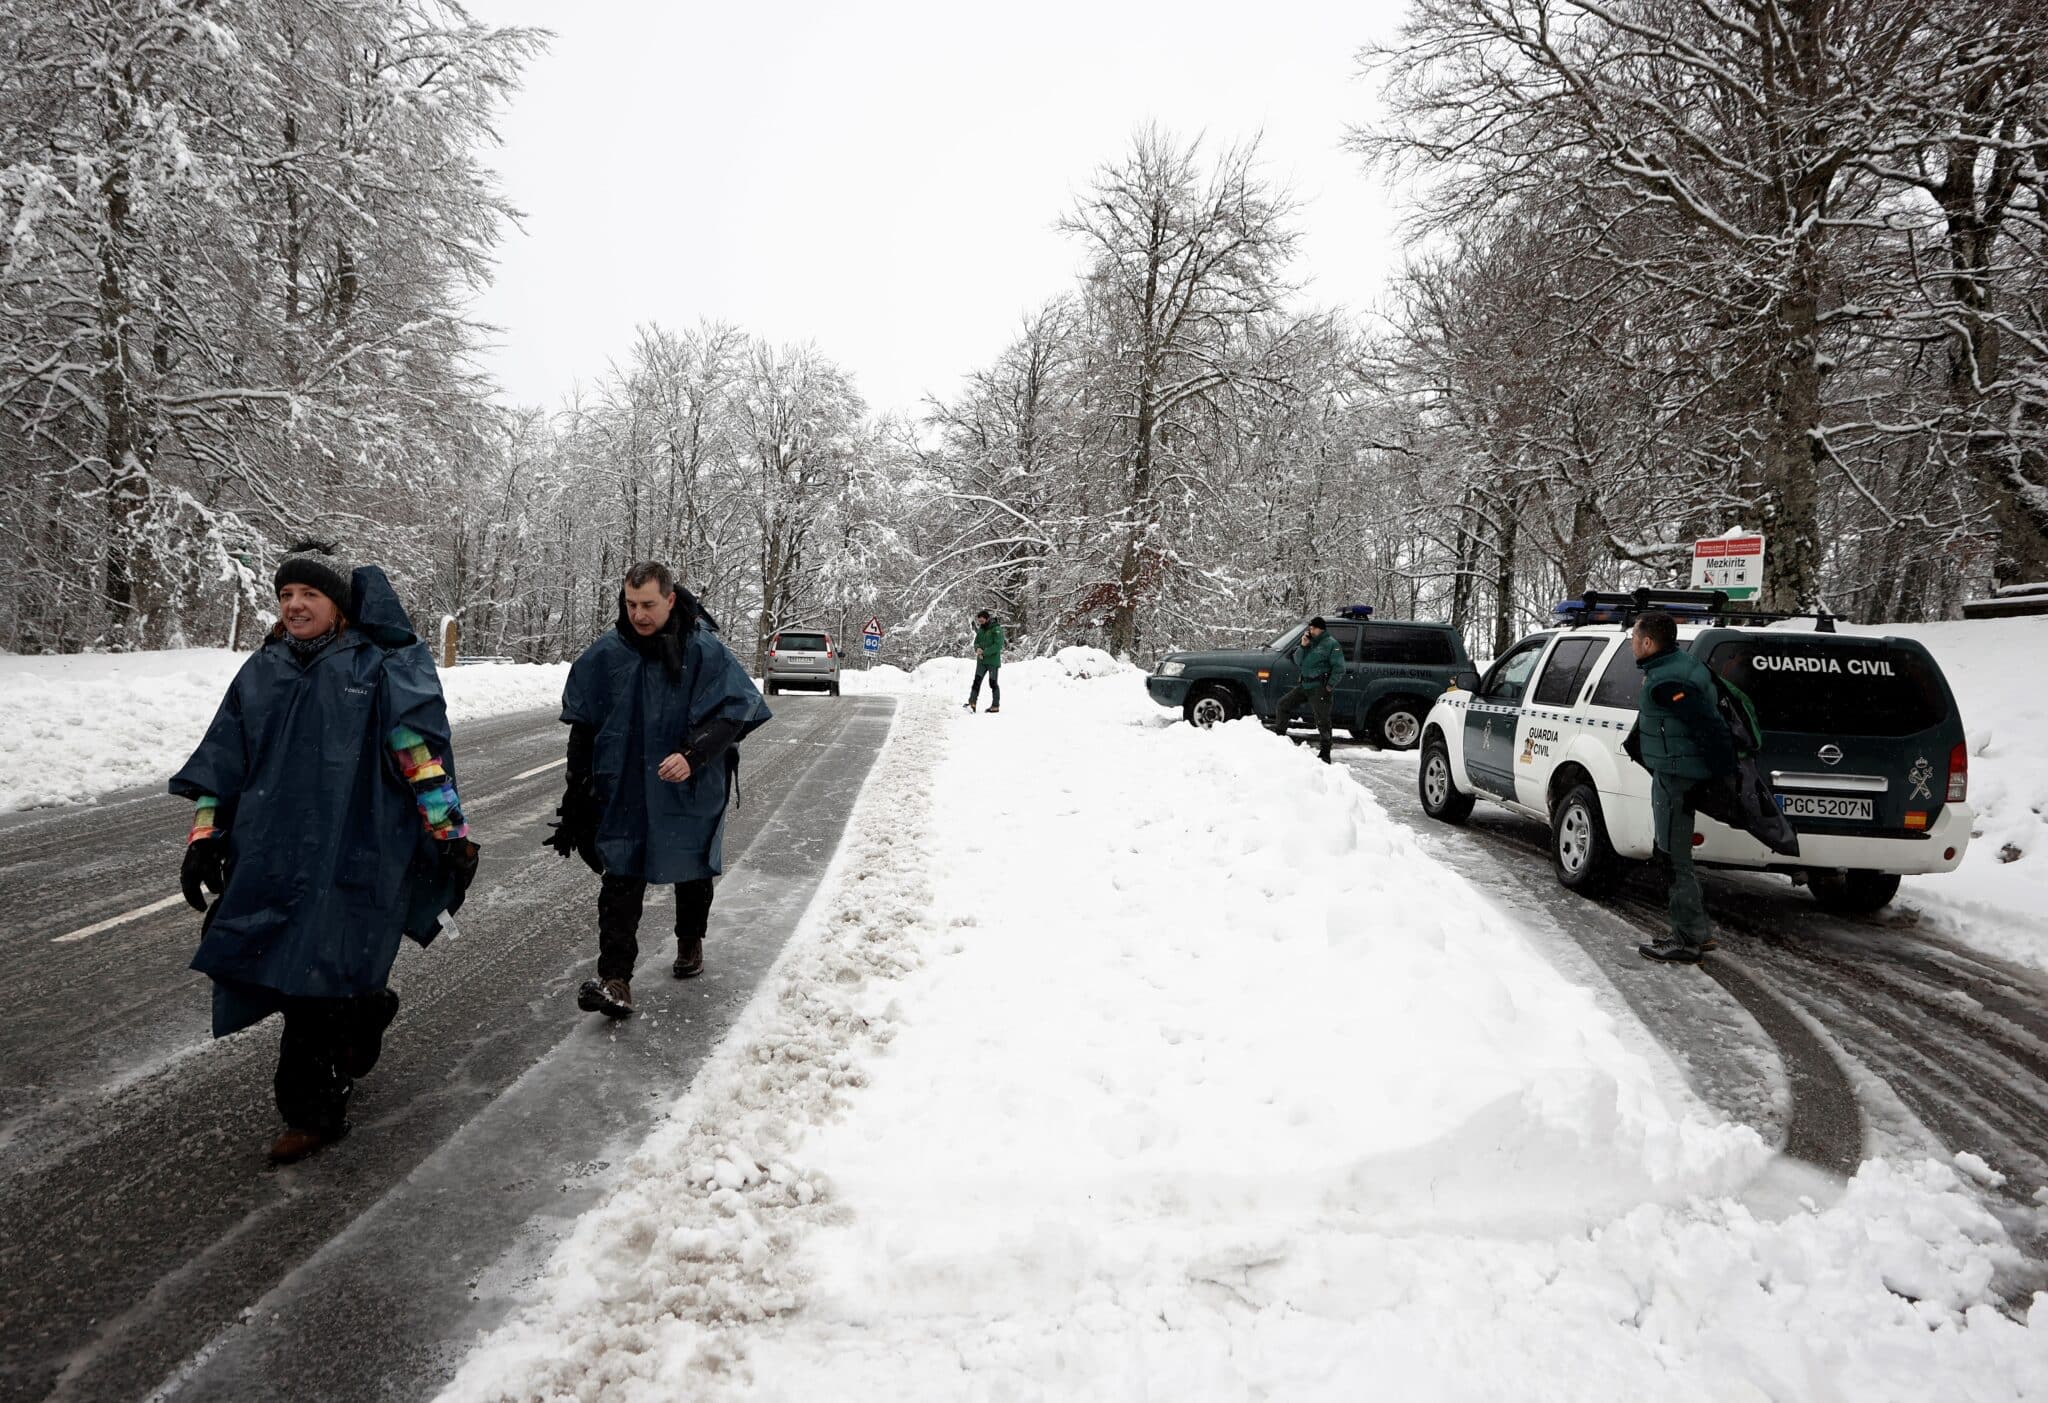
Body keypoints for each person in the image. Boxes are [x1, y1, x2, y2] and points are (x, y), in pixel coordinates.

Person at [172, 542, 479, 1164]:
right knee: (284, 968)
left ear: (338, 605)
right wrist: (205, 835)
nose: (294, 606)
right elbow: (223, 760)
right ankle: (364, 1015)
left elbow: (417, 755)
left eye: (309, 594)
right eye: (286, 595)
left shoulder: (377, 667)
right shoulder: (263, 670)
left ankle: (311, 1112)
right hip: (271, 852)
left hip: (356, 849)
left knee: (319, 975)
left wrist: (448, 832)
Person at [545, 563, 770, 1019]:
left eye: (648, 604)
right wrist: (577, 789)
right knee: (622, 874)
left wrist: (693, 755)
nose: (639, 615)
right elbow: (583, 727)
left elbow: (734, 714)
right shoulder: (608, 654)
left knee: (691, 866)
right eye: (631, 605)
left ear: (670, 600)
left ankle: (690, 941)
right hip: (625, 786)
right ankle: (616, 980)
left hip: (688, 783)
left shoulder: (703, 651)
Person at [1623, 610, 1738, 964]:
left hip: (1676, 777)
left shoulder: (1668, 680)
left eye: (1633, 639)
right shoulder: (1679, 666)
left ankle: (1686, 940)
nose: (1631, 645)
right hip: (1677, 773)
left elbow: (1707, 725)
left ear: (1647, 642)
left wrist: (1721, 772)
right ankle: (1696, 933)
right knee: (1675, 856)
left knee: (1673, 859)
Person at [1266, 616, 1344, 763]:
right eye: (1310, 628)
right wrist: (1303, 646)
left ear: (1320, 629)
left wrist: (1329, 686)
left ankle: (1325, 752)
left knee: (1322, 720)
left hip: (1320, 687)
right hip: (1305, 685)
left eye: (1313, 628)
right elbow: (1298, 661)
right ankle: (1280, 739)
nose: (1310, 630)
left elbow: (1340, 668)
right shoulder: (1310, 643)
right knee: (1283, 704)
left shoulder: (1331, 644)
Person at [966, 609, 1004, 713]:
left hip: (992, 661)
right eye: (979, 621)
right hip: (981, 662)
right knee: (976, 682)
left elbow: (998, 645)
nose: (980, 623)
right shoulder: (981, 629)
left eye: (982, 620)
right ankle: (972, 703)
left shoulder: (996, 629)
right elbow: (976, 642)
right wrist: (977, 649)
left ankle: (995, 706)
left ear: (987, 619)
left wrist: (984, 652)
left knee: (993, 683)